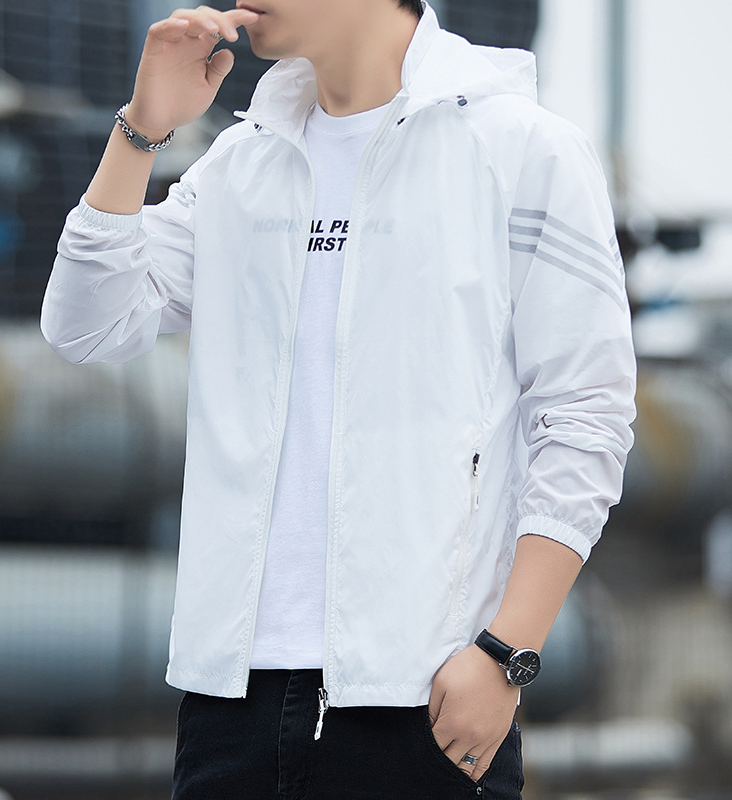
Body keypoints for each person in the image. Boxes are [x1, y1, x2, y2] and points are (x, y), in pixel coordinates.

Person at [41, 0, 636, 797]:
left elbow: (585, 414)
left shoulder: (521, 148)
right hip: (228, 701)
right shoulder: (241, 162)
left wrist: (505, 654)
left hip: (425, 697)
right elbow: (84, 325)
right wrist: (141, 131)